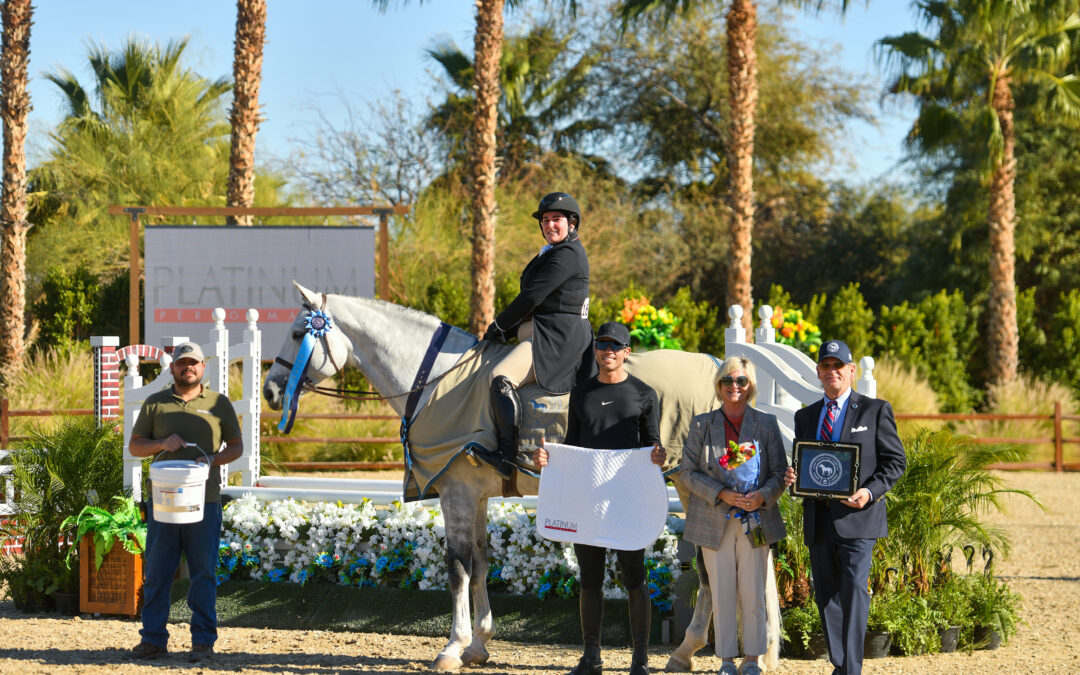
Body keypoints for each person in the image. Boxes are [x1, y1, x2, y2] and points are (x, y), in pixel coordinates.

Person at [534, 322, 665, 675]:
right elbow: (572, 445)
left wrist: (658, 456)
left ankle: (640, 659)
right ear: (596, 350)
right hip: (587, 497)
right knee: (590, 580)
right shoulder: (581, 393)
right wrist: (548, 459)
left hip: (627, 499)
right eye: (601, 344)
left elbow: (652, 444)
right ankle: (591, 657)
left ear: (626, 352)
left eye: (614, 346)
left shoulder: (644, 394)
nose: (607, 350)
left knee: (634, 575)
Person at [789, 340, 906, 675]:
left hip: (859, 519)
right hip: (819, 521)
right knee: (827, 598)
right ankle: (840, 665)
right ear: (818, 372)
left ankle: (851, 669)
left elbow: (895, 462)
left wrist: (869, 492)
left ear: (851, 371)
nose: (832, 372)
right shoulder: (805, 416)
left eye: (838, 366)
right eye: (825, 366)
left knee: (854, 591)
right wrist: (794, 475)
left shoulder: (875, 410)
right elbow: (805, 463)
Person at [128, 341, 244, 662]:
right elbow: (135, 447)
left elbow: (237, 446)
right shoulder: (155, 404)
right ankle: (152, 639)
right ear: (173, 368)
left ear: (202, 368)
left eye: (193, 362)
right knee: (158, 573)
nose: (188, 367)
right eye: (182, 363)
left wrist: (213, 460)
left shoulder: (219, 404)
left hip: (204, 501)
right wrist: (162, 442)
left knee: (203, 573)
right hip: (163, 503)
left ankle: (203, 641)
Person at [678, 357, 788, 675]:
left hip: (755, 519)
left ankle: (753, 659)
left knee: (753, 591)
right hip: (716, 518)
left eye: (740, 381)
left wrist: (762, 495)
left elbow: (780, 472)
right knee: (722, 591)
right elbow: (687, 471)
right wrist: (722, 493)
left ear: (750, 384)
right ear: (719, 385)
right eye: (727, 381)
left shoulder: (766, 423)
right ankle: (726, 660)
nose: (734, 387)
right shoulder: (702, 424)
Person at [475, 191, 595, 479]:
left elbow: (531, 297)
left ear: (572, 223)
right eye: (545, 220)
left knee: (500, 377)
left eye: (557, 219)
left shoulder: (567, 255)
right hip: (544, 332)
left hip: (556, 339)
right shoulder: (555, 252)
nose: (550, 225)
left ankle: (507, 456)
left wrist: (500, 326)